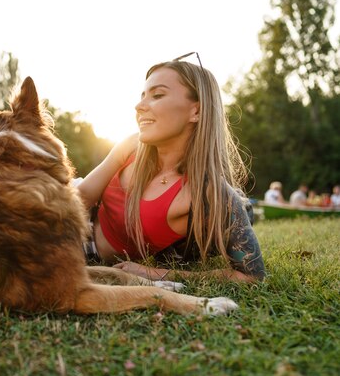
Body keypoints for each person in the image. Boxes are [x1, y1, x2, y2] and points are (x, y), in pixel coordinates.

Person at [77, 53, 265, 283]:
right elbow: (81, 196)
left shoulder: (207, 192)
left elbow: (251, 275)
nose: (139, 106)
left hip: (86, 254)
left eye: (157, 95)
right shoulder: (130, 145)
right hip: (67, 221)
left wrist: (153, 273)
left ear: (196, 111)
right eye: (142, 95)